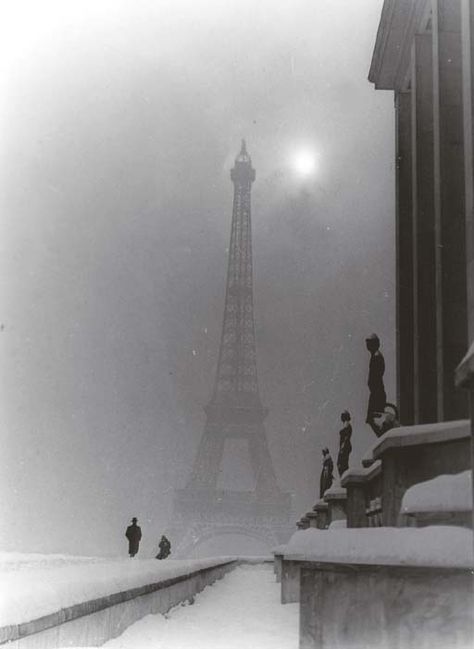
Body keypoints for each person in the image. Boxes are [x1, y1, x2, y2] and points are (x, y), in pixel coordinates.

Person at [365, 333, 387, 436]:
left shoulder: (377, 357)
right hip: (376, 391)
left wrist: (373, 387)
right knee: (373, 418)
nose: (367, 345)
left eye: (369, 342)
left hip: (377, 392)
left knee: (373, 417)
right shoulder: (375, 356)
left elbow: (377, 375)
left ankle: (383, 435)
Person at [337, 410, 352, 477]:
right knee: (341, 463)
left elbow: (346, 438)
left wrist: (343, 447)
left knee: (342, 464)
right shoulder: (346, 425)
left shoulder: (347, 425)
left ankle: (344, 476)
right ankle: (343, 476)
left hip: (345, 447)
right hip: (344, 447)